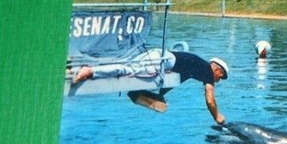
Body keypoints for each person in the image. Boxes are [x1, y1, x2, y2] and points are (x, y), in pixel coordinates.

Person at [71, 50, 229, 124]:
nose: (218, 80)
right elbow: (210, 100)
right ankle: (90, 71)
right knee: (127, 71)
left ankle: (87, 65)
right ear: (217, 69)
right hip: (159, 62)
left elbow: (171, 81)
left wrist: (159, 97)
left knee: (126, 67)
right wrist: (217, 117)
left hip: (160, 57)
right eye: (220, 76)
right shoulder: (207, 71)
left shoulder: (196, 67)